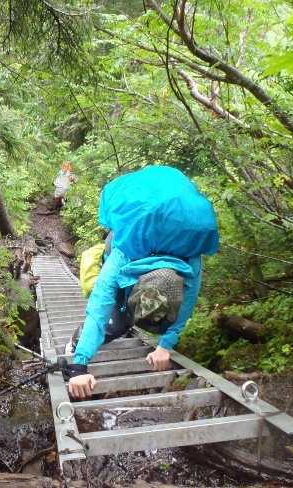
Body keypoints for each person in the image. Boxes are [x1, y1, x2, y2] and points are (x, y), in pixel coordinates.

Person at [65, 165, 219, 400]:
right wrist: (79, 366)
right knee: (115, 324)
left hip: (161, 235)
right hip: (127, 242)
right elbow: (99, 306)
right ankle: (76, 342)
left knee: (132, 321)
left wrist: (164, 345)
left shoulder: (189, 257)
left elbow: (186, 303)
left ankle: (129, 319)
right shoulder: (122, 254)